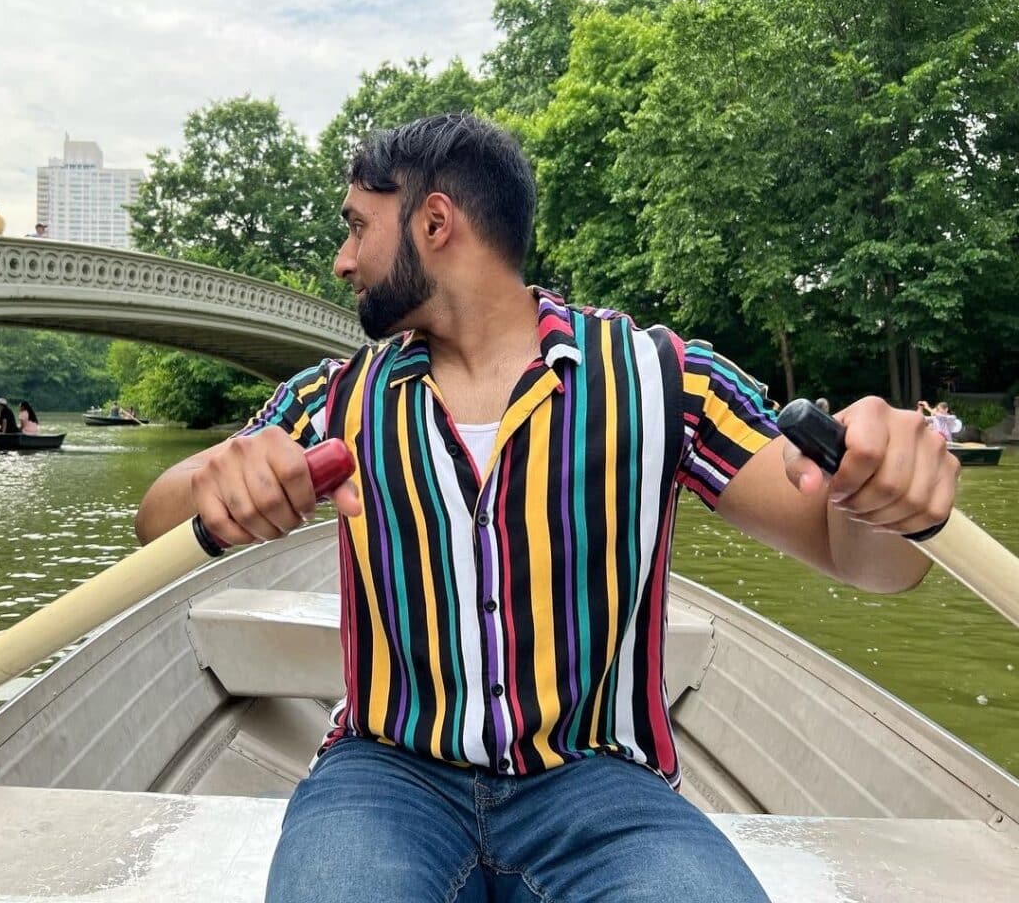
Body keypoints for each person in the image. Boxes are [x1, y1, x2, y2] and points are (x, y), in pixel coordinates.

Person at [136, 114, 958, 903]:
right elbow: (156, 524)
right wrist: (222, 474)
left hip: (600, 787)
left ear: (433, 222)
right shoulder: (331, 399)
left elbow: (869, 562)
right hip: (385, 776)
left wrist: (886, 490)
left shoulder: (663, 379)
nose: (343, 261)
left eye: (357, 226)